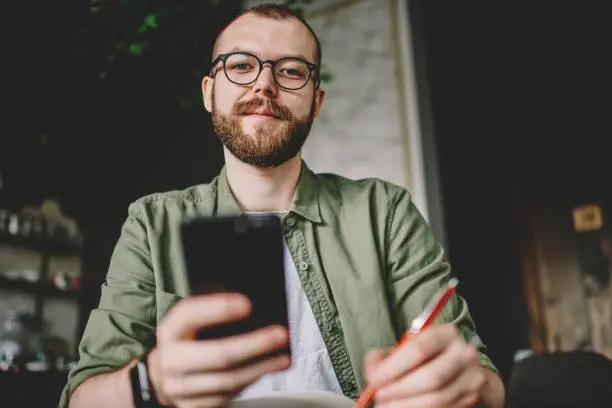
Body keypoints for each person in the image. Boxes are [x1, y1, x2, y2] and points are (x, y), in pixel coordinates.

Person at [60, 3, 505, 408]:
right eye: (241, 66)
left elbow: (485, 382)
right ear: (208, 93)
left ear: (316, 102)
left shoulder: (383, 210)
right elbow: (82, 397)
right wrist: (150, 381)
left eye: (291, 71)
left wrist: (465, 384)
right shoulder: (152, 222)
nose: (265, 84)